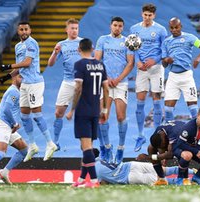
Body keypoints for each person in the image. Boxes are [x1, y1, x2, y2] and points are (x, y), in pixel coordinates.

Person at [0, 22, 57, 162]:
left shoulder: (32, 43)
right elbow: (21, 67)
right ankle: (32, 145)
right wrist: (8, 76)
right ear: (18, 31)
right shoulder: (18, 46)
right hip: (24, 83)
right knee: (24, 116)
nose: (24, 31)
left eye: (26, 29)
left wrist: (8, 66)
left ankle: (50, 144)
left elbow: (27, 63)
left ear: (30, 30)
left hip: (34, 83)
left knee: (36, 114)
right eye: (21, 29)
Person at [66, 38, 109, 188]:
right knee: (86, 146)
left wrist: (72, 109)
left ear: (79, 49)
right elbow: (106, 88)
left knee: (86, 147)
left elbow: (78, 88)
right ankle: (82, 179)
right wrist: (104, 109)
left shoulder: (79, 64)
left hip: (83, 110)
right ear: (92, 49)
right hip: (95, 110)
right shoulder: (100, 65)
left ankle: (94, 180)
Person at [94, 16, 134, 164]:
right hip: (105, 82)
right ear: (111, 26)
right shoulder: (102, 40)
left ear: (122, 28)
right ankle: (107, 147)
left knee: (120, 116)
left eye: (120, 26)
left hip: (121, 83)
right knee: (102, 116)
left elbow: (130, 64)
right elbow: (97, 60)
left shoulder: (128, 42)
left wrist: (117, 79)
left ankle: (121, 149)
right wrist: (106, 77)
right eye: (115, 25)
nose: (117, 28)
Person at [130, 3, 168, 152]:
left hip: (156, 69)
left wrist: (155, 59)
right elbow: (134, 47)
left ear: (154, 16)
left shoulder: (160, 29)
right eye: (145, 15)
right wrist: (138, 61)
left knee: (157, 100)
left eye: (150, 15)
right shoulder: (134, 29)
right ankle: (140, 135)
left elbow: (164, 49)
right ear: (142, 14)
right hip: (142, 70)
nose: (147, 17)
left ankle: (156, 134)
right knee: (140, 102)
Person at [161, 17, 200, 123]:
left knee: (193, 109)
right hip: (173, 77)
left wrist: (198, 58)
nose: (174, 30)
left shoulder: (189, 38)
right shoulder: (166, 42)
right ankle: (171, 137)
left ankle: (198, 139)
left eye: (176, 27)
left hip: (186, 77)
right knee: (168, 110)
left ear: (181, 26)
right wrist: (167, 60)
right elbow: (164, 64)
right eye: (172, 28)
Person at [47, 18, 82, 150]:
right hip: (67, 82)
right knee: (58, 113)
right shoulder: (61, 44)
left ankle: (84, 143)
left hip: (82, 82)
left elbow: (92, 59)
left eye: (76, 28)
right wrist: (55, 53)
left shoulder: (83, 42)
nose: (74, 30)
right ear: (66, 30)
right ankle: (55, 142)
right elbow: (50, 64)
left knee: (84, 113)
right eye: (72, 28)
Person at [173, 107, 200, 185]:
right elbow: (180, 144)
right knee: (188, 155)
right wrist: (196, 151)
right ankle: (179, 179)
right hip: (180, 147)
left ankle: (197, 177)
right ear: (197, 116)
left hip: (193, 145)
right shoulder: (189, 127)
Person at [146, 120, 185, 185]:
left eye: (163, 145)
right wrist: (161, 157)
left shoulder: (174, 132)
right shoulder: (158, 132)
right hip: (171, 139)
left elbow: (170, 155)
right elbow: (159, 146)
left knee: (178, 153)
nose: (162, 148)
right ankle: (162, 179)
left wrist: (151, 157)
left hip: (184, 140)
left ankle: (182, 178)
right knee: (150, 148)